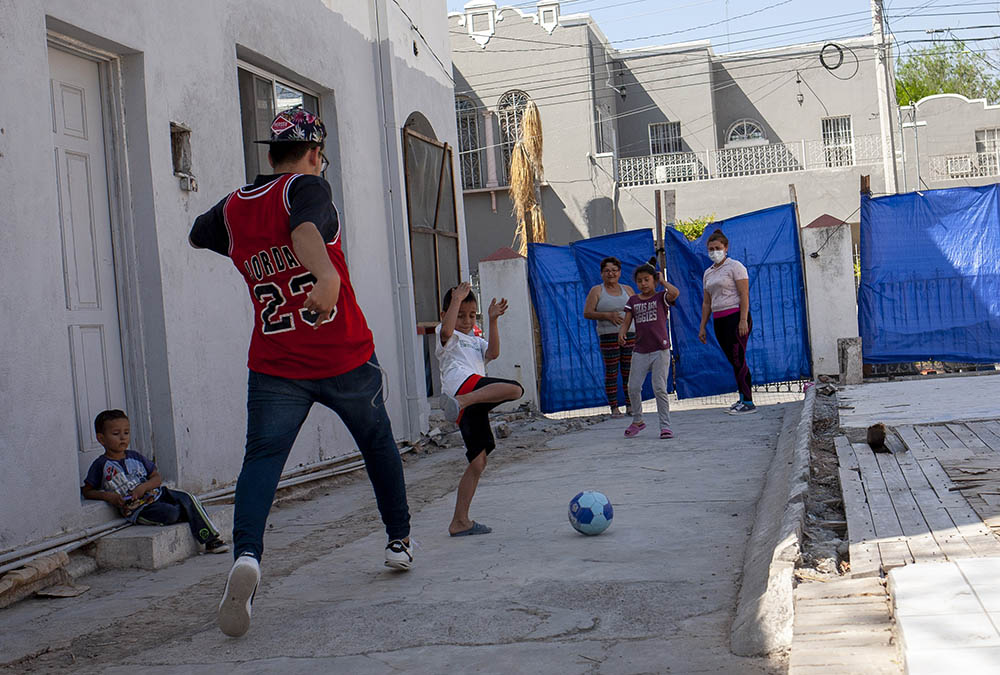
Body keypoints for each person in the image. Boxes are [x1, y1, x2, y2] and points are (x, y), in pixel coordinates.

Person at [188, 107, 412, 638]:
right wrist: (324, 273)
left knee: (262, 459)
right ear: (315, 154)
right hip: (344, 357)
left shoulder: (235, 207)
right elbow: (308, 229)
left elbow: (199, 235)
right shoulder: (306, 188)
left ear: (269, 155)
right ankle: (398, 540)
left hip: (275, 363)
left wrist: (259, 251)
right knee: (377, 442)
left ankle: (246, 556)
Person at [437, 282, 523, 537]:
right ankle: (461, 402)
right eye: (461, 314)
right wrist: (456, 300)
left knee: (478, 461)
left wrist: (493, 319)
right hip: (461, 389)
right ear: (446, 314)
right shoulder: (447, 334)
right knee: (515, 389)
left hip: (473, 401)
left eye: (471, 315)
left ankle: (460, 521)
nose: (466, 320)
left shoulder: (475, 339)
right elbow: (448, 329)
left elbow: (494, 353)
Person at [82, 409, 229, 553]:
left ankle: (212, 540)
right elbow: (87, 491)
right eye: (116, 434)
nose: (123, 438)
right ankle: (189, 513)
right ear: (101, 439)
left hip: (158, 494)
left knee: (189, 498)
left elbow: (156, 477)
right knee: (171, 513)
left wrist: (143, 487)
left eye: (126, 433)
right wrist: (108, 496)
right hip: (140, 509)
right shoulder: (100, 465)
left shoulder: (135, 456)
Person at [698, 229, 756, 415]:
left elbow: (744, 294)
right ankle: (741, 398)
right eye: (711, 249)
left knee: (739, 357)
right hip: (719, 319)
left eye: (718, 248)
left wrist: (742, 320)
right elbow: (707, 302)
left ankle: (748, 401)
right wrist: (702, 326)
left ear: (726, 248)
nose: (714, 252)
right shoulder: (708, 273)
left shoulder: (735, 266)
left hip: (736, 317)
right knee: (733, 360)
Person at [619, 264, 680, 439]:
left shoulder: (661, 297)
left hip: (660, 350)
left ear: (654, 280)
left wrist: (663, 281)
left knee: (659, 388)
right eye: (640, 281)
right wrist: (622, 332)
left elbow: (675, 294)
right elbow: (627, 320)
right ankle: (638, 420)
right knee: (633, 387)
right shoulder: (633, 301)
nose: (643, 283)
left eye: (647, 279)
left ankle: (665, 426)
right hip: (640, 350)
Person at [583, 257, 636, 418]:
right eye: (607, 271)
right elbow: (588, 312)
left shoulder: (627, 289)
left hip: (629, 334)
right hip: (608, 336)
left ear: (619, 273)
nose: (611, 273)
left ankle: (630, 405)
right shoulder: (597, 291)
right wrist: (607, 315)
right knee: (612, 372)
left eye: (614, 270)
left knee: (629, 371)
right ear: (601, 274)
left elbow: (636, 309)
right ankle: (614, 407)